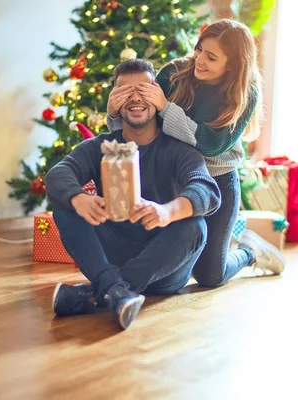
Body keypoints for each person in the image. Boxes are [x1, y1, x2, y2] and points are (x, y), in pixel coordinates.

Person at [106, 19, 286, 289]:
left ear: (233, 65)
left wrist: (166, 108)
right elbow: (138, 125)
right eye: (200, 50)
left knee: (210, 276)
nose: (199, 60)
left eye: (211, 57)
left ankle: (251, 251)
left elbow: (211, 144)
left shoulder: (244, 93)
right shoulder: (174, 74)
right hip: (173, 176)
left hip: (217, 182)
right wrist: (113, 112)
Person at [45, 59, 221, 330]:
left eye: (143, 90)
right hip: (114, 249)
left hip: (164, 267)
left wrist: (166, 212)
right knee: (66, 207)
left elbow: (207, 190)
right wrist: (80, 199)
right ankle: (116, 292)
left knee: (195, 225)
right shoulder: (100, 146)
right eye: (125, 92)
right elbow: (59, 174)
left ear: (158, 96)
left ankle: (103, 291)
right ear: (114, 102)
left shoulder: (179, 150)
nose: (135, 98)